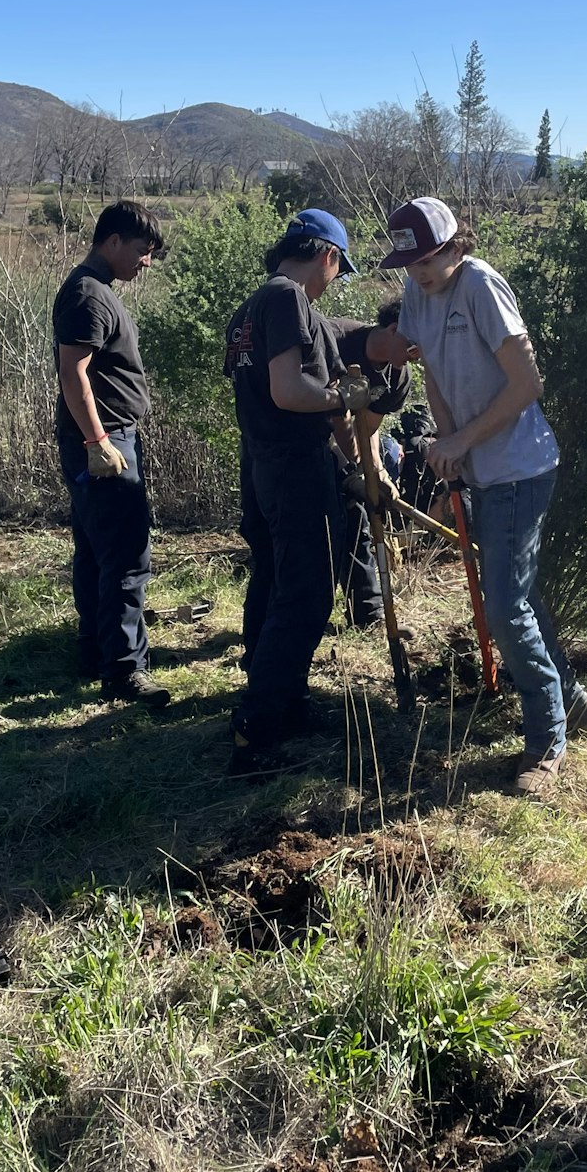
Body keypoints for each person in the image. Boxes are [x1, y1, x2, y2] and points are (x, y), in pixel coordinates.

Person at [380, 196, 587, 795]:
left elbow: (527, 383)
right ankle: (571, 701)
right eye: (410, 262)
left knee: (503, 607)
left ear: (454, 246)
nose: (419, 272)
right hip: (479, 468)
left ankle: (547, 736)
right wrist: (448, 440)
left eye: (428, 258)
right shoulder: (418, 295)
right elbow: (432, 374)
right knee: (516, 592)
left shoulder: (481, 286)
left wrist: (466, 440)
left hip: (521, 468)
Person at [223, 210, 369, 772]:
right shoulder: (287, 300)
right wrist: (345, 400)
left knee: (286, 584)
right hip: (292, 467)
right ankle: (256, 725)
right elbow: (289, 392)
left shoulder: (250, 310)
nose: (334, 279)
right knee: (306, 597)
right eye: (338, 268)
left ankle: (289, 701)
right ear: (327, 256)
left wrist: (355, 465)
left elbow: (294, 385)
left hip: (264, 464)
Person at [53, 199, 169, 707]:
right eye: (142, 251)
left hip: (105, 436)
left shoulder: (95, 290)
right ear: (113, 241)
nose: (146, 261)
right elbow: (73, 371)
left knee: (96, 548)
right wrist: (99, 442)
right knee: (124, 552)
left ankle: (94, 650)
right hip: (104, 439)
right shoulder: (87, 294)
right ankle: (125, 669)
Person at [324, 299, 415, 628]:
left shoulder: (398, 376)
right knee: (323, 528)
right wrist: (358, 470)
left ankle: (369, 615)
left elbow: (368, 428)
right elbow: (339, 421)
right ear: (394, 331)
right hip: (306, 440)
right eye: (414, 346)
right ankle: (307, 615)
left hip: (347, 447)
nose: (415, 357)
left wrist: (376, 472)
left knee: (360, 516)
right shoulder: (336, 340)